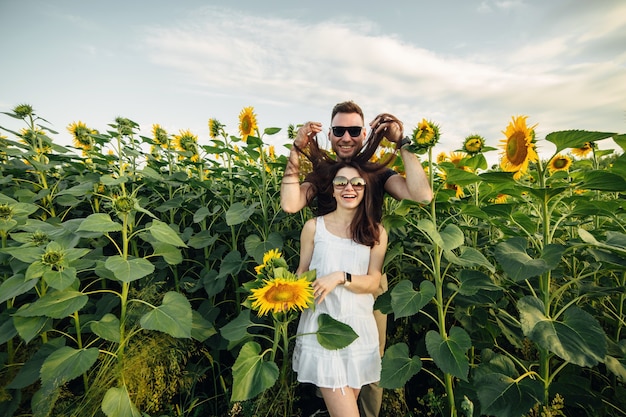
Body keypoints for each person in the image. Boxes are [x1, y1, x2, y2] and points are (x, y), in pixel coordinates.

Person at [281, 101, 433, 417]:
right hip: (324, 277)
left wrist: (401, 142)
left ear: (364, 134)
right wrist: (296, 149)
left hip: (366, 275)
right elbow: (291, 203)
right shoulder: (322, 175)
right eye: (339, 130)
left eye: (353, 130)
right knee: (330, 357)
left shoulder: (377, 174)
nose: (346, 137)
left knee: (367, 360)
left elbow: (421, 194)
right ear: (331, 133)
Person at [292, 160, 389, 417]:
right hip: (324, 330)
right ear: (332, 190)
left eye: (357, 183)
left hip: (359, 330)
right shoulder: (314, 228)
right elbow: (302, 272)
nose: (349, 188)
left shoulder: (376, 232)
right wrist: (285, 289)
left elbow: (373, 282)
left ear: (366, 189)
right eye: (341, 182)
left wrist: (340, 277)